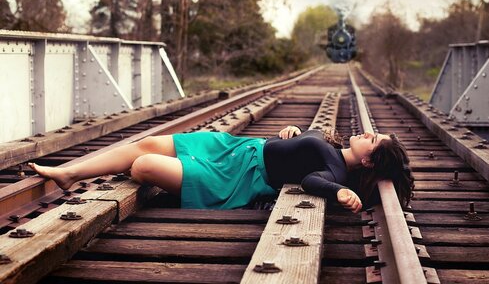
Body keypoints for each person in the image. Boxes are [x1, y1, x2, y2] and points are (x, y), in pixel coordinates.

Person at [29, 126, 414, 213]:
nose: (368, 133)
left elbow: (312, 180)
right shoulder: (331, 145)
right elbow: (302, 145)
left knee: (143, 166)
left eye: (373, 139)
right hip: (234, 147)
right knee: (146, 145)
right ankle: (70, 172)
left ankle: (181, 176)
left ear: (368, 160)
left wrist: (339, 193)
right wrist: (294, 132)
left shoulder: (335, 170)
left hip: (235, 177)